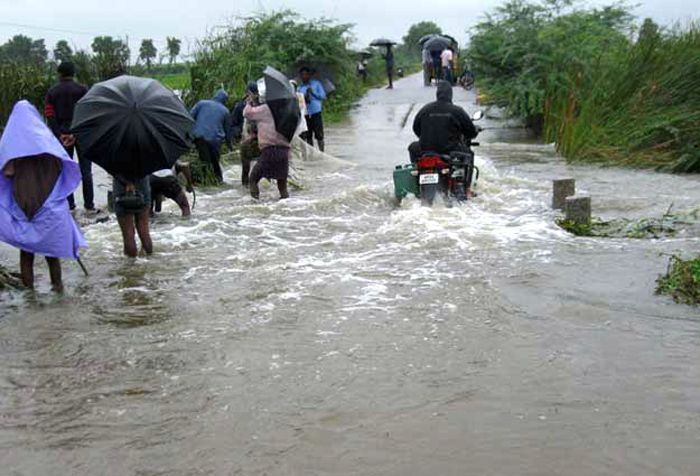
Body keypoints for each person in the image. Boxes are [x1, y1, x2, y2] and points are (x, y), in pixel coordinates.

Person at [0, 101, 87, 292]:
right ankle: (58, 289)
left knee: (26, 254)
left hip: (24, 204)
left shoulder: (13, 146)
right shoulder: (46, 141)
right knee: (52, 253)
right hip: (49, 205)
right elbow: (62, 165)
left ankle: (30, 294)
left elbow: (7, 172)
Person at [44, 61, 94, 212]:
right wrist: (76, 133)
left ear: (60, 74)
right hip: (81, 135)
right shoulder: (83, 90)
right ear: (73, 74)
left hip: (62, 136)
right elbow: (88, 112)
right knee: (86, 171)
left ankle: (70, 205)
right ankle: (89, 205)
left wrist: (60, 134)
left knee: (65, 171)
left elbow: (49, 115)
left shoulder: (52, 92)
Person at [408, 81, 477, 163]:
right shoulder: (457, 111)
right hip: (451, 150)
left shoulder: (425, 109)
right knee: (469, 154)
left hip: (425, 150)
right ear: (450, 94)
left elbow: (416, 128)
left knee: (412, 147)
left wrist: (426, 137)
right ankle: (466, 172)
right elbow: (471, 132)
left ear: (437, 94)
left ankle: (417, 167)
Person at [243, 95, 293, 200]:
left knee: (253, 179)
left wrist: (249, 102)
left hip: (269, 150)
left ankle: (255, 204)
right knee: (282, 186)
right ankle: (287, 205)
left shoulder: (266, 109)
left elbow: (247, 113)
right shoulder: (287, 111)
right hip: (284, 151)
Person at [190, 89, 232, 184]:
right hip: (215, 140)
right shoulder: (225, 111)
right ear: (225, 101)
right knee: (215, 162)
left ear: (214, 96)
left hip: (199, 137)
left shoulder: (201, 103)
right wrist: (229, 145)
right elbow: (228, 130)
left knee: (205, 161)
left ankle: (205, 181)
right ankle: (218, 180)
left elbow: (190, 116)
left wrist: (189, 135)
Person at [113, 175, 152, 258]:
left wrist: (128, 183)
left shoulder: (115, 165)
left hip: (121, 187)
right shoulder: (145, 165)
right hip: (142, 184)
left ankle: (131, 263)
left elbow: (112, 170)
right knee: (144, 231)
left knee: (128, 233)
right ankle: (149, 258)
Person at [298, 67, 327, 151]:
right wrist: (304, 98)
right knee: (308, 136)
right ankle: (311, 154)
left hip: (316, 113)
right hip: (306, 114)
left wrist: (313, 93)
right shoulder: (300, 88)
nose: (304, 76)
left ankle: (322, 153)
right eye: (302, 74)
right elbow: (299, 102)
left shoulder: (316, 84)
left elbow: (323, 96)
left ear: (309, 75)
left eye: (306, 74)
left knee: (319, 135)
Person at [239, 81, 261, 187]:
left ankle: (246, 186)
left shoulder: (248, 105)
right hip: (261, 139)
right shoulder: (263, 104)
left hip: (254, 139)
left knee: (247, 168)